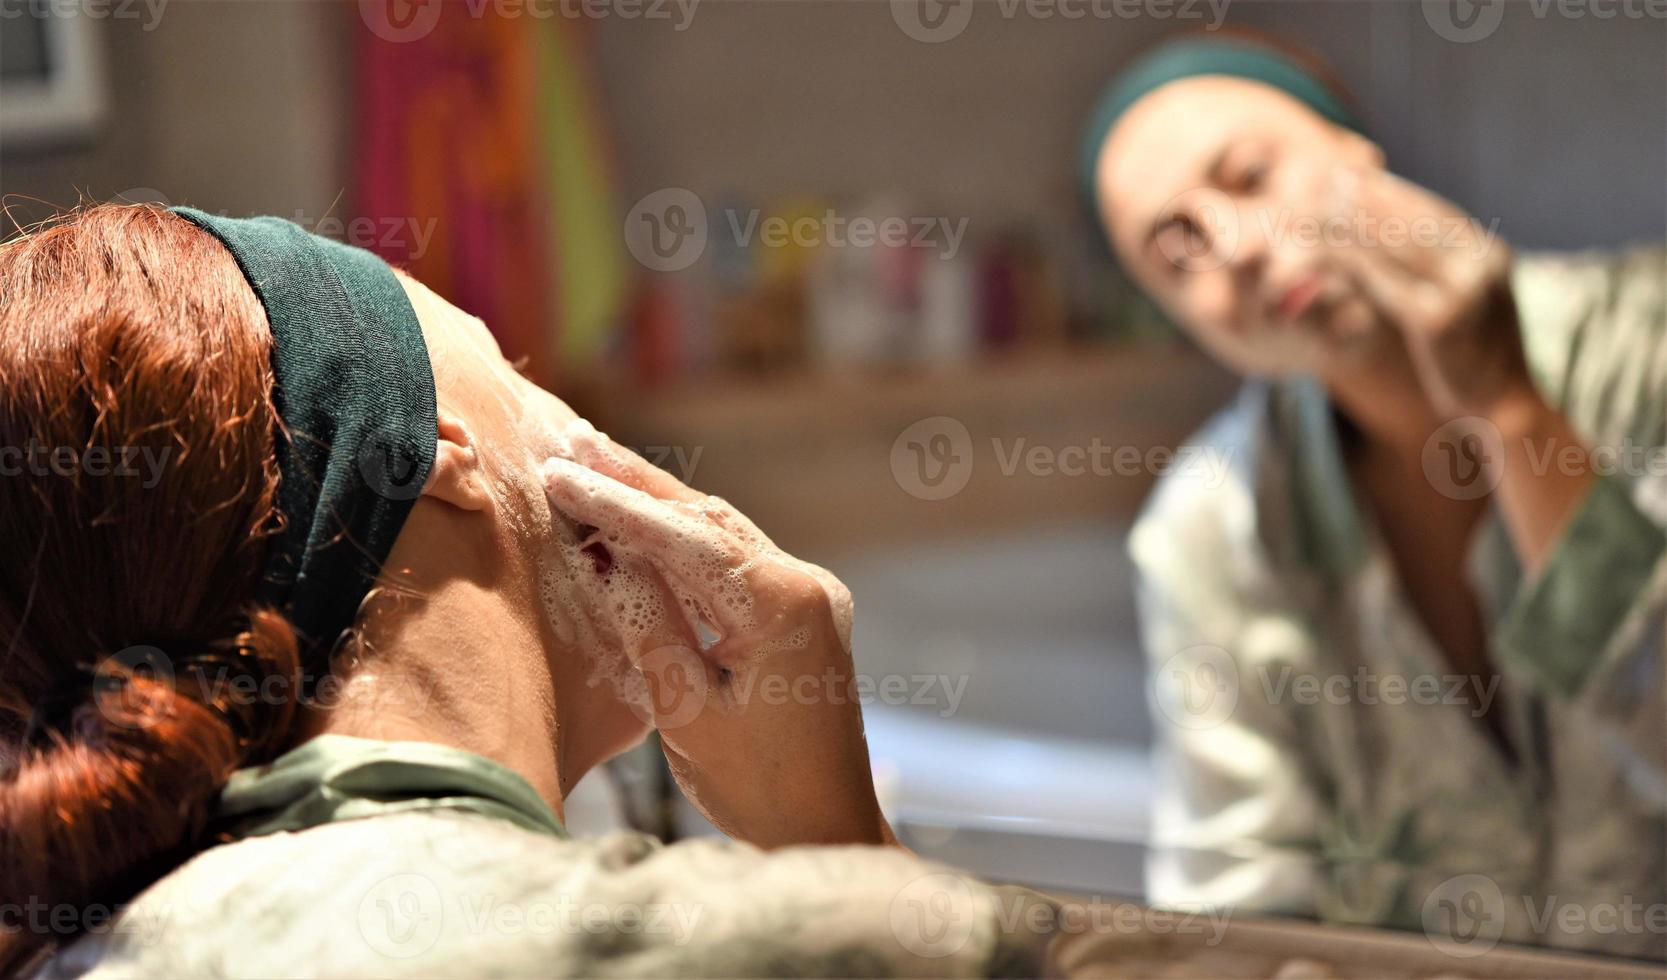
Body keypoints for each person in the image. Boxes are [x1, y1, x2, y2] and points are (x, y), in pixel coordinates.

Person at [0, 204, 1052, 976]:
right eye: (508, 366)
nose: (551, 397)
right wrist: (841, 846)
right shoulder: (783, 946)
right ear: (430, 455)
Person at [1079, 34, 1665, 957]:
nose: (1231, 248)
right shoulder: (1210, 525)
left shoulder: (1646, 347)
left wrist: (1509, 411)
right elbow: (1238, 922)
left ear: (1356, 150)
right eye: (1175, 246)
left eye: (1248, 176)